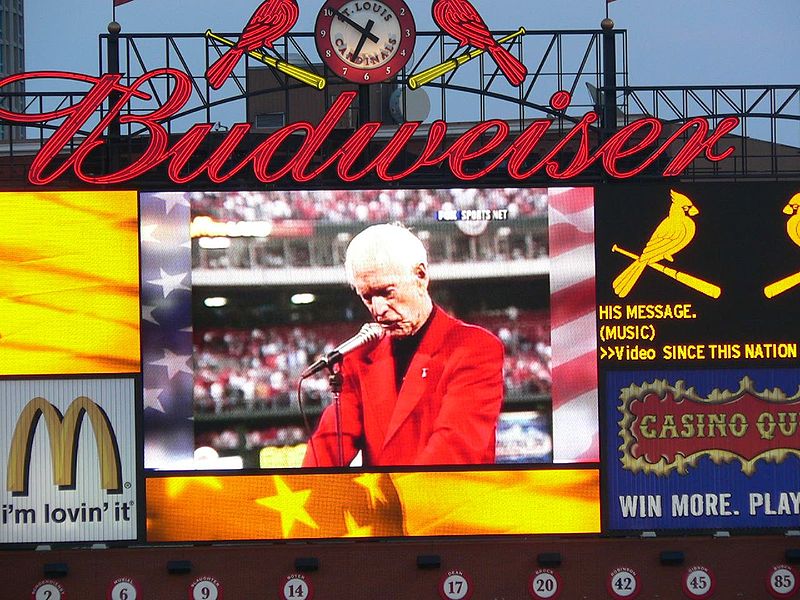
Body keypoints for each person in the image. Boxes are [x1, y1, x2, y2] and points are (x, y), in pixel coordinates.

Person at [302, 223, 504, 467]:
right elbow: (327, 446)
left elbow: (456, 448)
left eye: (387, 292)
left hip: (448, 502)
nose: (378, 310)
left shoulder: (475, 348)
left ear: (420, 276)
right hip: (386, 503)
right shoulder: (357, 357)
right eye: (367, 297)